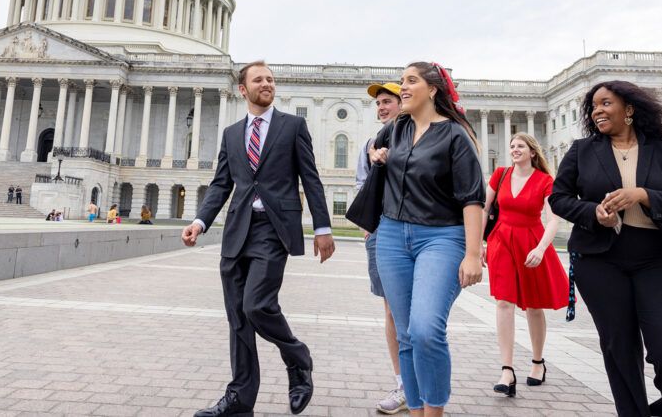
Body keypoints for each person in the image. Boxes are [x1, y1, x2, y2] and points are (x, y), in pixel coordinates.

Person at [182, 60, 335, 417]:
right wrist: (200, 222)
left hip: (273, 228)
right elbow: (222, 183)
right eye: (259, 79)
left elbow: (310, 178)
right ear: (243, 89)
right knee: (238, 318)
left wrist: (323, 228)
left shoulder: (293, 126)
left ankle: (298, 358)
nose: (267, 83)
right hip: (237, 229)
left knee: (257, 305)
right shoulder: (232, 133)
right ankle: (240, 398)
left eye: (270, 79)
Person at [549, 80, 662, 417]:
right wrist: (593, 213)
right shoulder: (582, 150)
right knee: (620, 349)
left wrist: (643, 195)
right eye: (594, 106)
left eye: (606, 103)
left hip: (656, 257)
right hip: (601, 259)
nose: (597, 111)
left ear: (629, 109)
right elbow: (558, 199)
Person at [368, 62, 485, 417]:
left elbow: (472, 198)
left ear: (432, 89)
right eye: (402, 81)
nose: (402, 87)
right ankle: (415, 410)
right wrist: (376, 155)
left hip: (441, 237)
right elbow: (377, 151)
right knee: (405, 334)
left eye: (410, 81)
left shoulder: (455, 135)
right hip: (390, 235)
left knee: (425, 329)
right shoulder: (397, 128)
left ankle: (434, 413)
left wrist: (473, 254)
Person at [484, 133, 568, 397]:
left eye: (520, 146)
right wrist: (479, 243)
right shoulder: (500, 174)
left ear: (532, 152)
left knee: (533, 306)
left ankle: (537, 362)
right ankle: (507, 370)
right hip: (501, 240)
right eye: (512, 146)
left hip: (531, 241)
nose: (514, 149)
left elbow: (553, 219)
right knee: (503, 302)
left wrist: (542, 248)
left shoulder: (545, 180)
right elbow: (484, 209)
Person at [356, 81, 406, 414]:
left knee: (418, 312)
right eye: (379, 104)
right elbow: (361, 183)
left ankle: (423, 379)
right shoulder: (371, 143)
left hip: (417, 231)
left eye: (388, 101)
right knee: (391, 309)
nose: (382, 108)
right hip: (381, 230)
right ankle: (403, 383)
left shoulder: (425, 136)